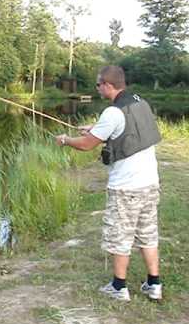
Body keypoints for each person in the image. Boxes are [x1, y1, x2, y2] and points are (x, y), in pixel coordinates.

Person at [55, 66, 162, 302]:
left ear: (108, 85)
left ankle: (119, 287)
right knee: (148, 234)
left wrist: (65, 140)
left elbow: (85, 145)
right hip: (150, 183)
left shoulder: (112, 112)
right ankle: (154, 284)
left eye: (98, 84)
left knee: (120, 237)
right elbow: (128, 129)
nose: (97, 88)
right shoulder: (139, 102)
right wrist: (96, 128)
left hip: (126, 187)